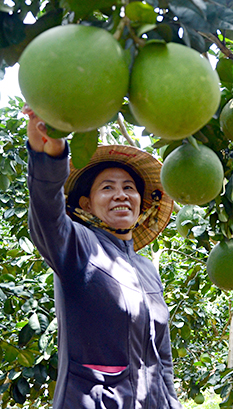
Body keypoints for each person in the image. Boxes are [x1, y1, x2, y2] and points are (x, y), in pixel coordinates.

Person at [24, 106, 182, 409]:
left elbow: (163, 359)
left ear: (141, 202)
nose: (121, 195)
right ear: (87, 203)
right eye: (107, 188)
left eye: (129, 188)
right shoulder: (78, 247)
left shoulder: (147, 268)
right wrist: (49, 158)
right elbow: (46, 212)